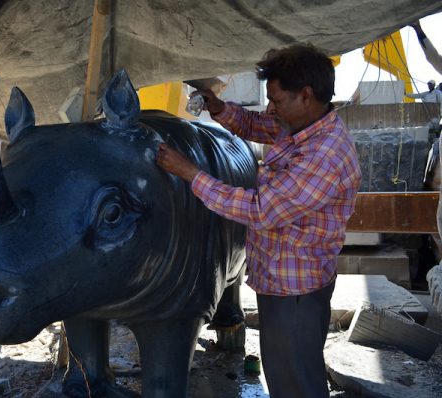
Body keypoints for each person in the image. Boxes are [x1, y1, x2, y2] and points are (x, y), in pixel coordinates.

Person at [155, 43, 361, 398]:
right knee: (287, 376)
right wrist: (220, 109)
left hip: (295, 293)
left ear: (306, 96)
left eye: (277, 101)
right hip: (280, 282)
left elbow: (260, 210)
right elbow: (257, 125)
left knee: (295, 384)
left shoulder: (325, 154)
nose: (271, 109)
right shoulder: (299, 125)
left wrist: (190, 173)